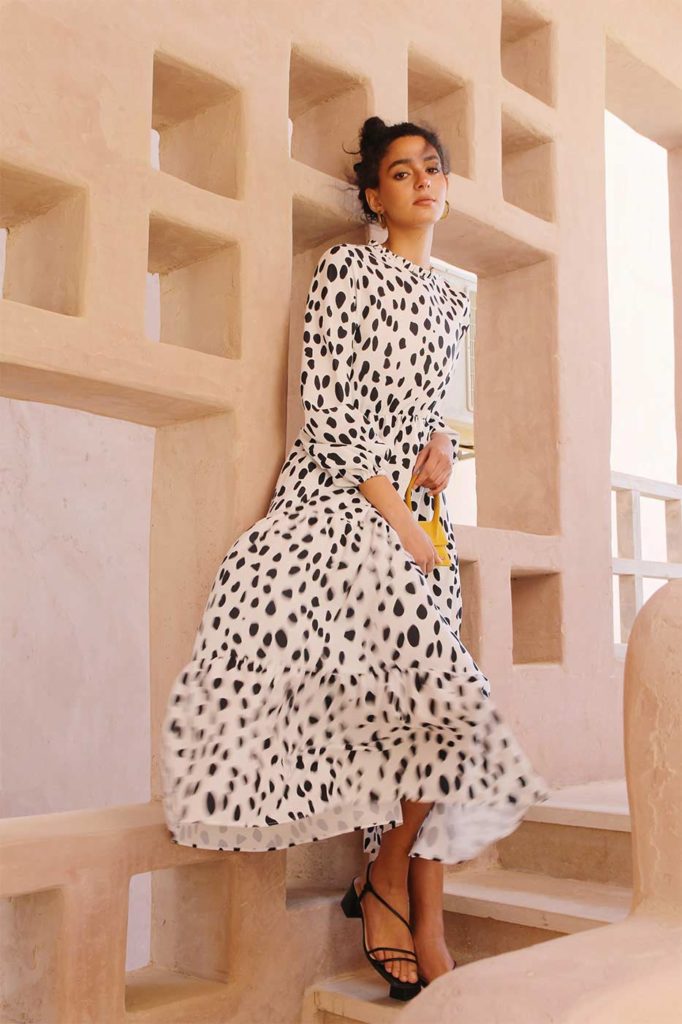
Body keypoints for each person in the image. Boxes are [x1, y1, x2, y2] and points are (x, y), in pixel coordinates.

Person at [160, 116, 549, 1001]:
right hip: (343, 503)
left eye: (432, 168)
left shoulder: (452, 300)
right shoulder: (347, 269)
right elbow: (328, 404)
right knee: (446, 705)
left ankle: (417, 912)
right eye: (401, 172)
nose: (422, 181)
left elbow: (426, 407)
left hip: (420, 515)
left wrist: (444, 448)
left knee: (426, 714)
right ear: (375, 195)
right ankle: (388, 889)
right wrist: (396, 518)